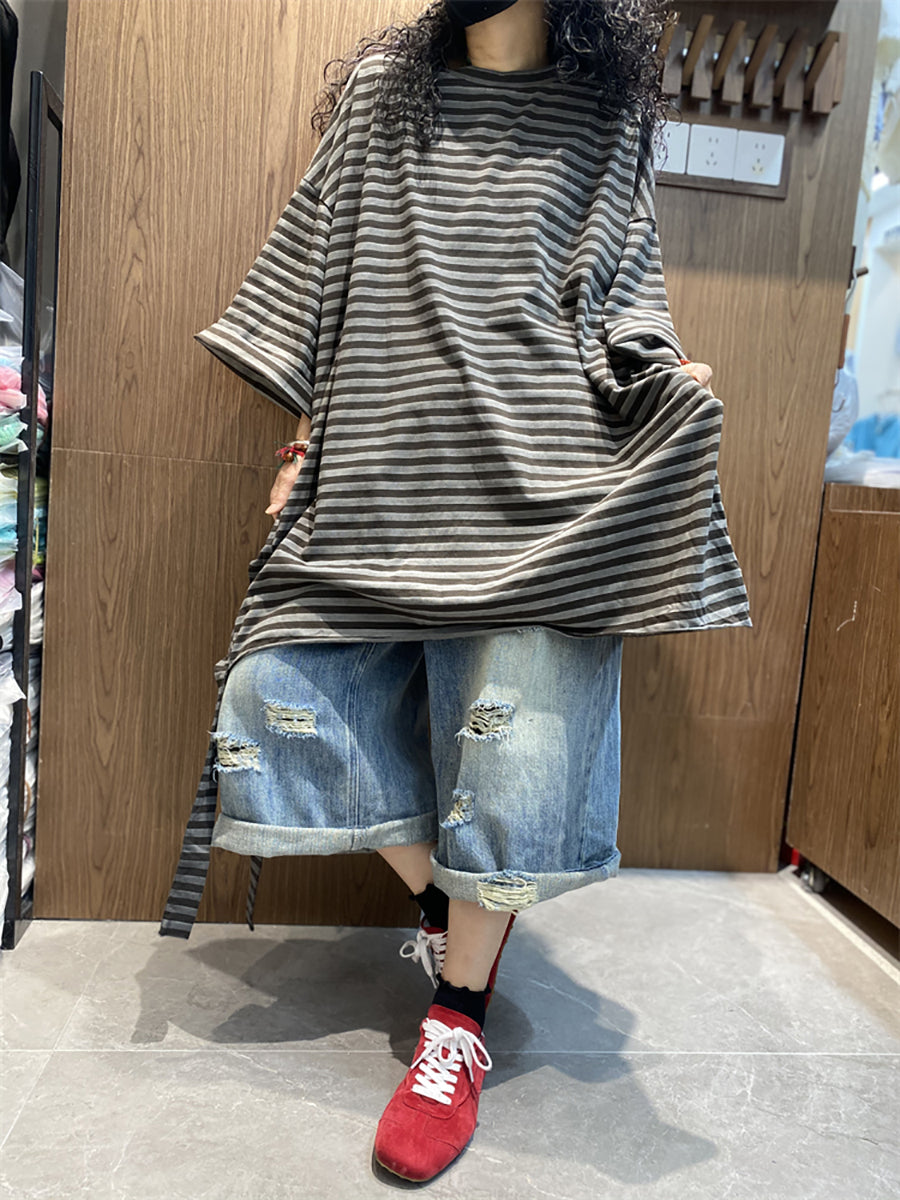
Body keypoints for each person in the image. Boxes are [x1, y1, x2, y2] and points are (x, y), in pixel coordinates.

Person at [160, 0, 752, 1182]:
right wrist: (304, 446)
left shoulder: (604, 116)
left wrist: (662, 378)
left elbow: (625, 297)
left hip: (544, 490)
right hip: (384, 482)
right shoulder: (385, 97)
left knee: (514, 745)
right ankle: (450, 910)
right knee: (274, 701)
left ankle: (457, 1023)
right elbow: (321, 285)